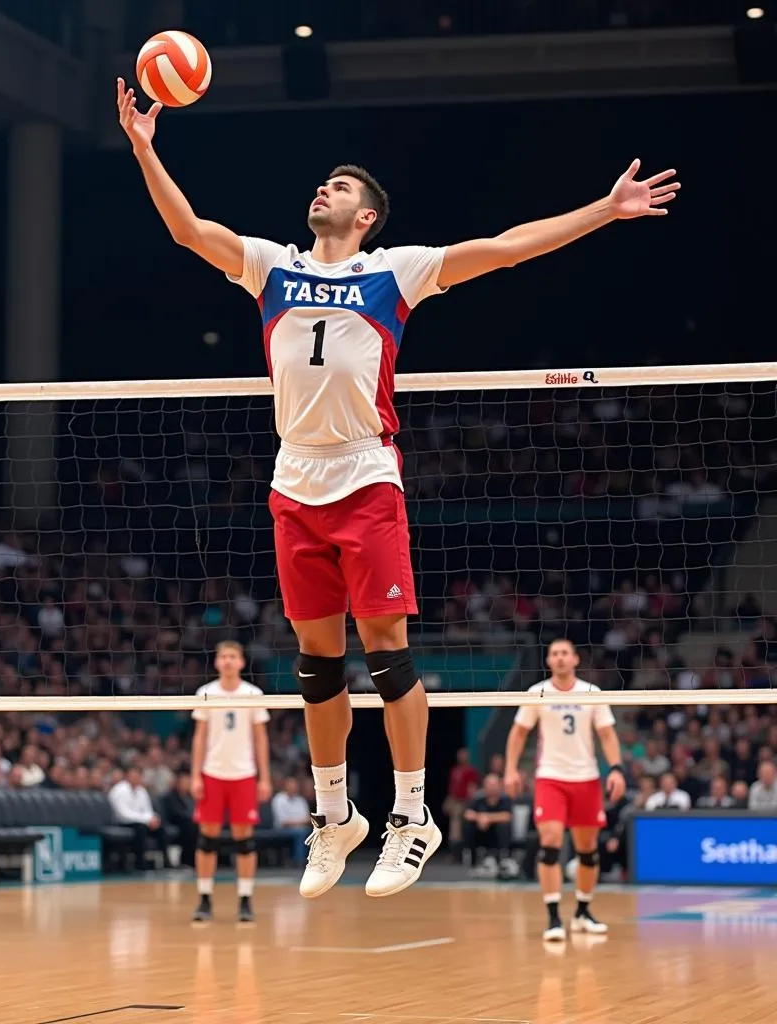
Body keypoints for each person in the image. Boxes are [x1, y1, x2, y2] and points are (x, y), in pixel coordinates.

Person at [116, 78, 679, 900]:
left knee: (385, 649)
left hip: (365, 472)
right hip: (293, 477)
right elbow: (187, 230)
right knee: (314, 662)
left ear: (366, 216)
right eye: (323, 183)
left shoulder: (394, 273)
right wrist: (143, 144)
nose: (323, 189)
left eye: (339, 187)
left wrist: (603, 208)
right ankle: (335, 816)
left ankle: (412, 816)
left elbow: (507, 246)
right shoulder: (271, 266)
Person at [504, 639, 626, 941]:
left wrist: (617, 769)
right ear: (548, 660)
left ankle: (583, 911)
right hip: (551, 778)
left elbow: (607, 735)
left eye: (564, 653)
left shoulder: (590, 693)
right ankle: (554, 918)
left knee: (587, 849)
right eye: (554, 653)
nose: (559, 658)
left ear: (575, 660)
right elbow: (518, 734)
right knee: (551, 841)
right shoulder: (538, 693)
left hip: (586, 778)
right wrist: (510, 768)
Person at [190, 640, 271, 923]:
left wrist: (264, 778)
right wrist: (195, 775)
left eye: (232, 656)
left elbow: (261, 738)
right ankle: (204, 899)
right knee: (207, 839)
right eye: (222, 656)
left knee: (244, 840)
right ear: (216, 662)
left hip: (244, 774)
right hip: (212, 773)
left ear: (241, 662)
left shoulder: (253, 694)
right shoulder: (206, 693)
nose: (227, 660)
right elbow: (199, 737)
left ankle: (245, 900)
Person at [462, 772, 513, 876]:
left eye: (494, 785)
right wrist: (480, 818)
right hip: (481, 833)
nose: (492, 788)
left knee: (504, 826)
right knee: (469, 826)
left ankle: (502, 861)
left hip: (498, 834)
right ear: (484, 786)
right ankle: (473, 862)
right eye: (489, 785)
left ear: (499, 786)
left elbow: (507, 816)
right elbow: (468, 814)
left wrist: (488, 818)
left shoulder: (505, 799)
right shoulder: (478, 799)